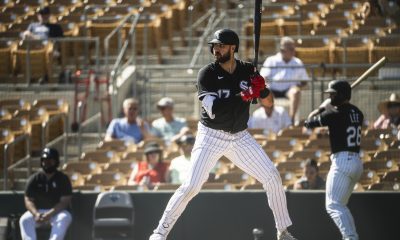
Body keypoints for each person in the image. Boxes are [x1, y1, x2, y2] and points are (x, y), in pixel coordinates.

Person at [149, 29, 297, 240]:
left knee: (272, 177)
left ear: (233, 47)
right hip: (211, 136)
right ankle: (160, 233)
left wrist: (261, 88)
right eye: (215, 46)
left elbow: (269, 103)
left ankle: (282, 231)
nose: (216, 49)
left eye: (221, 45)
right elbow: (214, 109)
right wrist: (244, 94)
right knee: (191, 186)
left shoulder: (247, 70)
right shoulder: (207, 74)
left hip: (239, 137)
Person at [304, 80, 364, 240]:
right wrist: (328, 108)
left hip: (342, 162)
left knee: (333, 205)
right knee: (340, 206)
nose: (330, 97)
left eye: (333, 94)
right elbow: (344, 114)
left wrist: (320, 109)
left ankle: (351, 237)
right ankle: (350, 237)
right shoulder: (358, 112)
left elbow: (307, 123)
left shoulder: (334, 113)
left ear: (342, 95)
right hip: (357, 162)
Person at [19, 148, 73, 240]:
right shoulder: (35, 178)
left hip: (57, 213)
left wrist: (50, 214)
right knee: (24, 219)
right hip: (39, 212)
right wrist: (35, 213)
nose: (47, 163)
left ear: (56, 161)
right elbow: (28, 200)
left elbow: (64, 202)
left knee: (64, 217)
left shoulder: (63, 178)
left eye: (50, 160)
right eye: (44, 160)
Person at [259, 36, 310, 124]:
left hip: (289, 90)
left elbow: (305, 81)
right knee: (263, 91)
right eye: (290, 49)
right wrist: (265, 85)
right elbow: (263, 77)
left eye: (293, 48)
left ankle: (291, 120)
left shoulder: (297, 62)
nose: (293, 51)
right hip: (272, 89)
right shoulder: (271, 60)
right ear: (282, 50)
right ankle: (265, 120)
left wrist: (297, 86)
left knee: (296, 92)